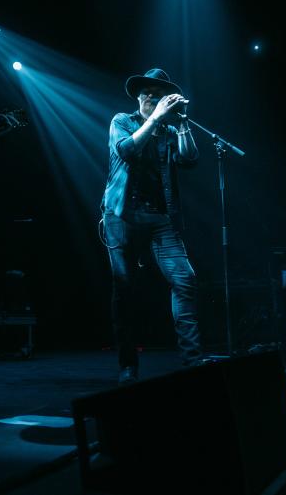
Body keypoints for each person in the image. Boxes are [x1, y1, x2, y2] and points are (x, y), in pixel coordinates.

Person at [101, 68, 204, 385]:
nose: (151, 96)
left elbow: (190, 159)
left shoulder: (170, 133)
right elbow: (126, 150)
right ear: (139, 97)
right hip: (121, 216)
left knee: (185, 280)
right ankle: (128, 366)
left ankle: (193, 361)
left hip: (160, 219)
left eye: (157, 93)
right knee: (125, 292)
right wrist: (157, 119)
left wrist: (183, 120)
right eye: (146, 92)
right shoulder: (122, 121)